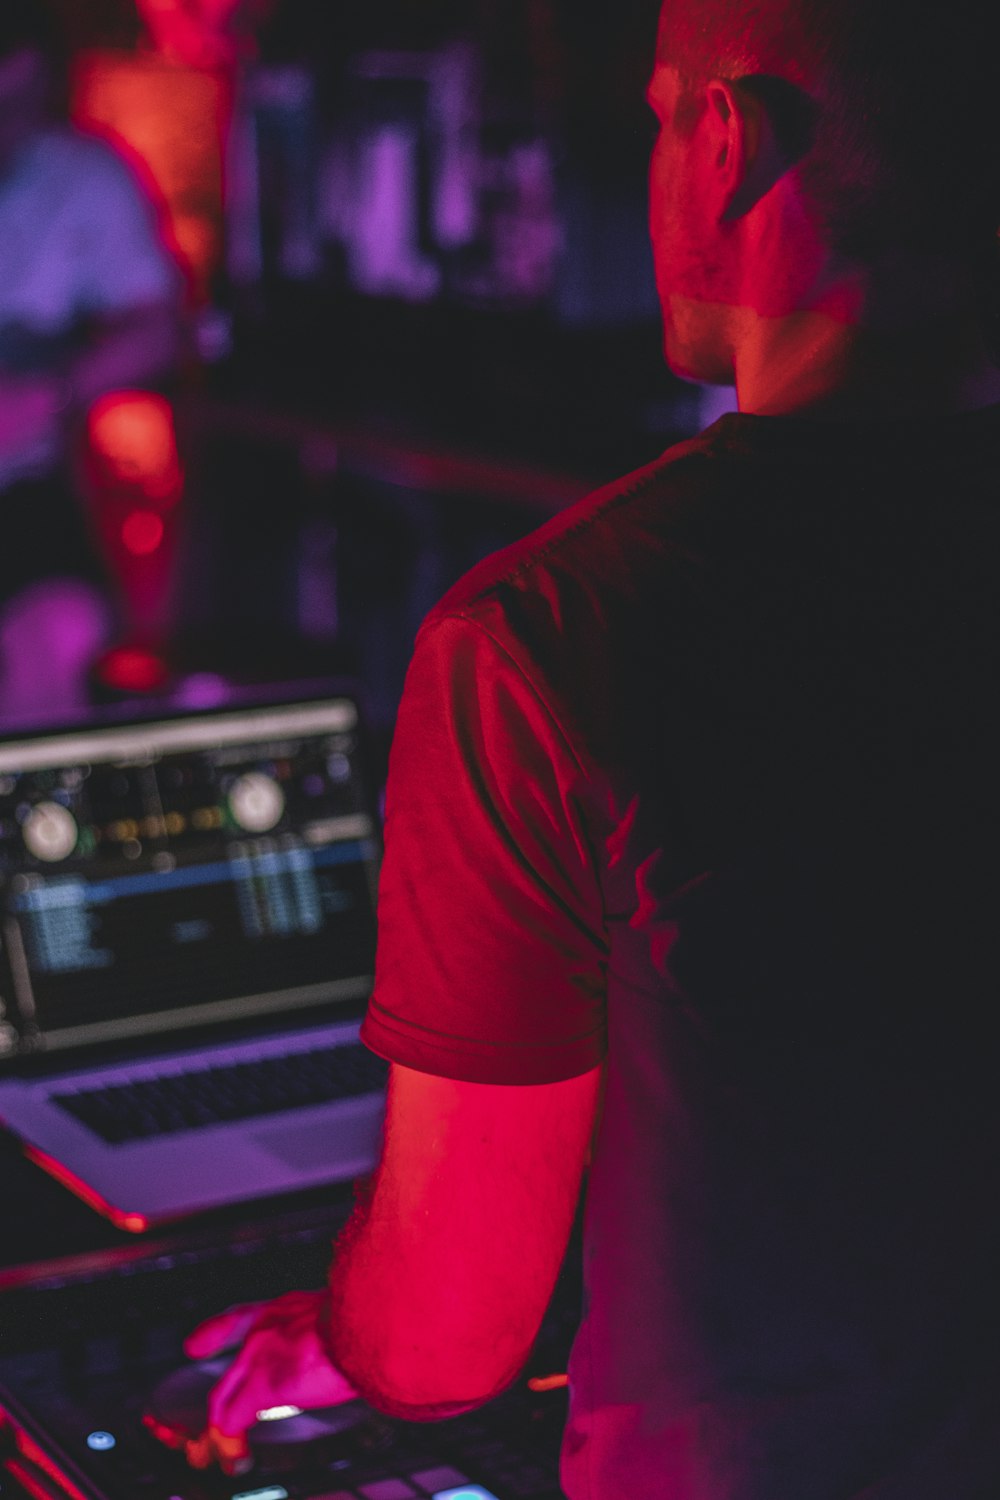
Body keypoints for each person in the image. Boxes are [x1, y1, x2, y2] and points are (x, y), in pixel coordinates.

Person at [168, 0, 1000, 1495]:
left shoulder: (554, 640)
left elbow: (437, 1350)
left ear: (726, 145)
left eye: (658, 113)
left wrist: (363, 1323)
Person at [0, 0, 181, 724]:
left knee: (64, 628)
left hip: (21, 491)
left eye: (21, 101)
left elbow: (162, 329)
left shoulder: (83, 174)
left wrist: (51, 393)